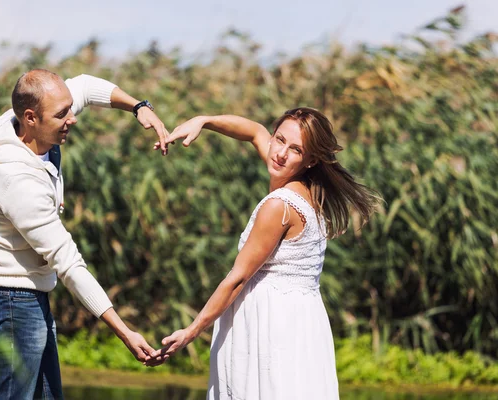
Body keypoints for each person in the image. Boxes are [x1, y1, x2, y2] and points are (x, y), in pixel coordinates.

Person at [0, 69, 167, 399]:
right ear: (30, 118)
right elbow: (68, 264)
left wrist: (138, 106)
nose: (72, 118)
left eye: (69, 108)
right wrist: (125, 332)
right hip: (8, 301)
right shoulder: (16, 180)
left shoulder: (24, 124)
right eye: (62, 114)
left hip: (25, 296)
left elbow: (84, 86)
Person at [154, 108, 380, 399]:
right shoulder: (303, 185)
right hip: (302, 321)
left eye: (295, 149)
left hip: (273, 326)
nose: (280, 153)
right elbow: (252, 131)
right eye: (279, 139)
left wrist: (192, 331)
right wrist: (204, 121)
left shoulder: (280, 206)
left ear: (311, 160)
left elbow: (237, 278)